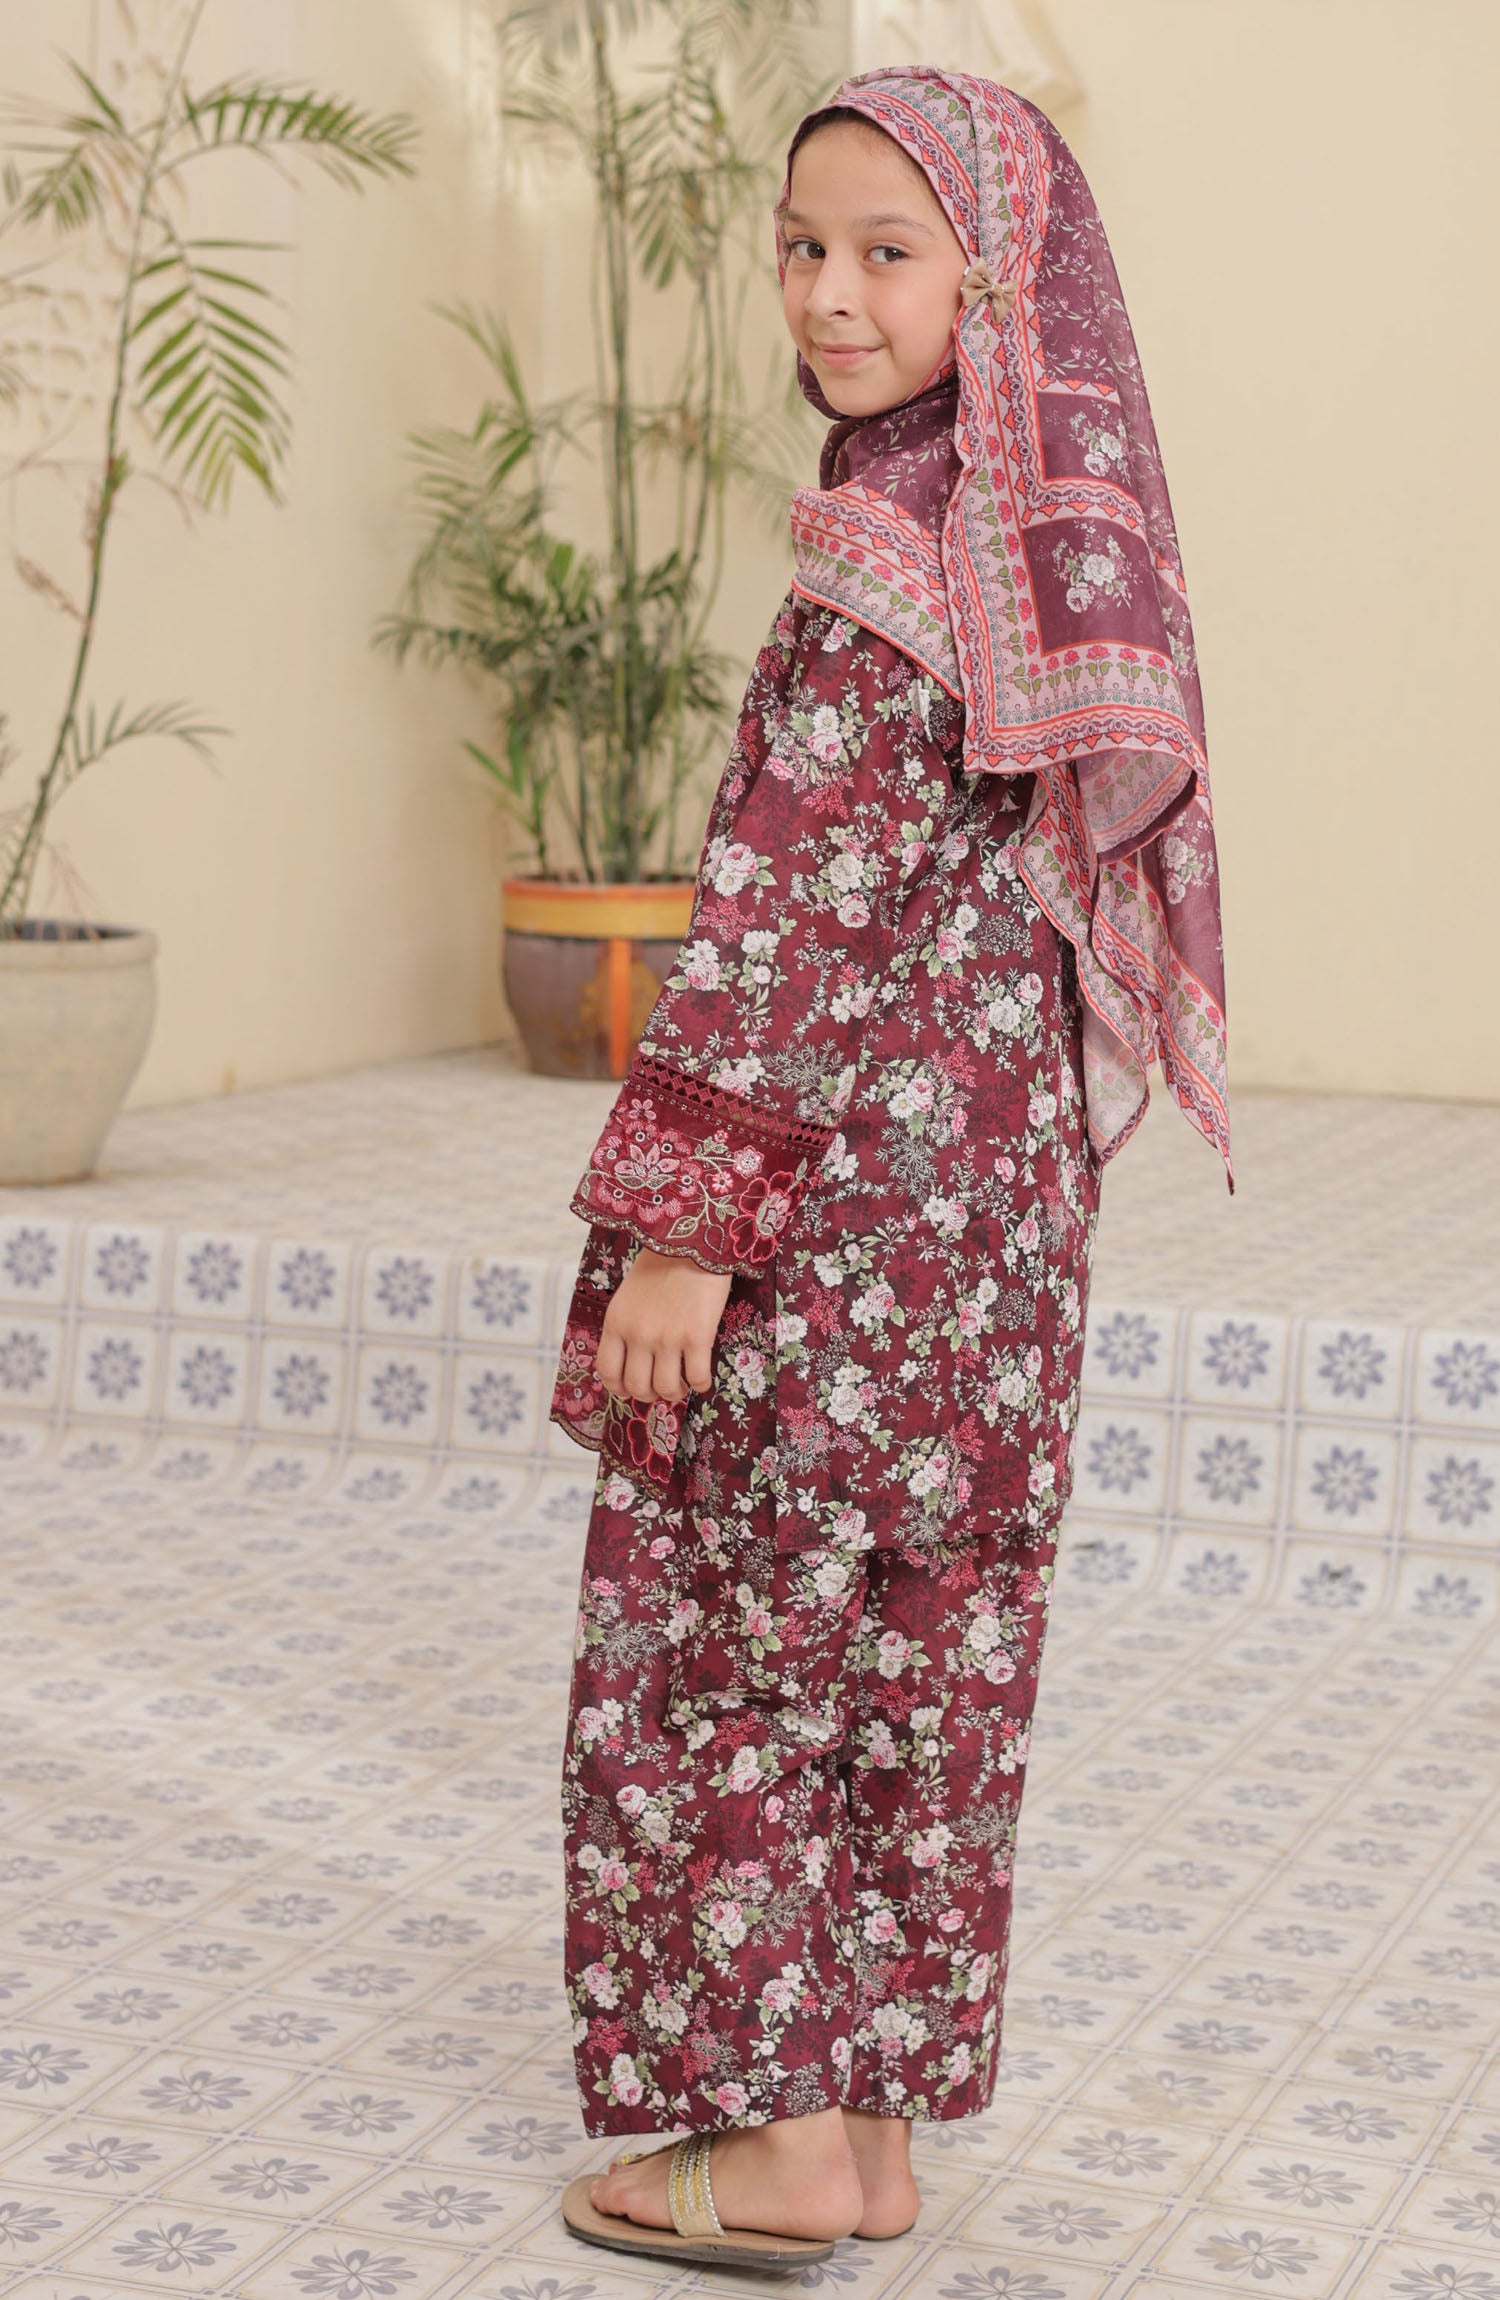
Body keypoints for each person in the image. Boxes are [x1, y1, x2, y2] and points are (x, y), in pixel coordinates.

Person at [549, 64, 1230, 2273]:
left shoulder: (883, 555)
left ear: (996, 282)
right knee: (929, 1650)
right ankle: (873, 2135)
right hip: (997, 1235)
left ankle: (774, 2155)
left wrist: (685, 1228)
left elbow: (784, 913)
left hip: (834, 1214)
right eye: (801, 249)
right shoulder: (1034, 535)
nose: (830, 297)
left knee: (749, 1637)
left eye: (887, 253)